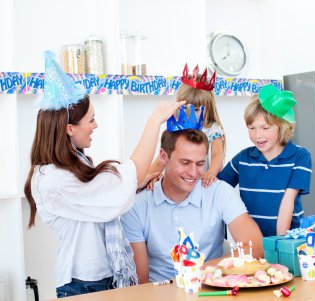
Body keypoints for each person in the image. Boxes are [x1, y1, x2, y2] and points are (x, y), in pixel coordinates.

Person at [23, 51, 184, 298]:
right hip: (83, 284)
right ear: (69, 129)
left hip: (104, 278)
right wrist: (154, 121)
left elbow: (111, 190)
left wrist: (152, 170)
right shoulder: (52, 179)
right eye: (91, 120)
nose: (95, 126)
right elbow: (117, 188)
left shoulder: (75, 166)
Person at [121, 128, 264, 283]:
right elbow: (140, 280)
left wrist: (196, 273)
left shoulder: (219, 192)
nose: (193, 172)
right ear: (164, 156)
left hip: (208, 288)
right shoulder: (137, 204)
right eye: (185, 162)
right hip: (158, 293)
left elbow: (255, 247)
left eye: (200, 163)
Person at [218, 84, 312, 237]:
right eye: (252, 128)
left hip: (286, 242)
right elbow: (218, 188)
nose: (257, 135)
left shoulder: (300, 156)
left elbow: (288, 201)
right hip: (253, 245)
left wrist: (278, 246)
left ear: (281, 126)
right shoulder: (243, 159)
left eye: (265, 128)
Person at [148, 64, 225, 188]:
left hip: (201, 184)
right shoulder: (175, 129)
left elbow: (217, 155)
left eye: (196, 109)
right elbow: (160, 160)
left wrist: (211, 173)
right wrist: (148, 178)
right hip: (178, 184)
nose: (191, 113)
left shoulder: (213, 129)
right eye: (185, 108)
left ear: (208, 108)